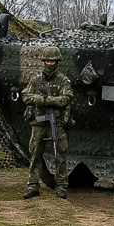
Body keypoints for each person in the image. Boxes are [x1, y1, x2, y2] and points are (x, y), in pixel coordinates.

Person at [21, 49, 72, 200]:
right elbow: (25, 96)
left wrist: (47, 101)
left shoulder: (63, 80)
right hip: (39, 122)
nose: (50, 64)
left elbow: (66, 98)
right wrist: (40, 99)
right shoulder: (36, 80)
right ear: (44, 62)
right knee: (35, 153)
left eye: (53, 61)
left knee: (59, 154)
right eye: (48, 61)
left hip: (56, 121)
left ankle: (61, 186)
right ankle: (33, 185)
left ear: (57, 62)